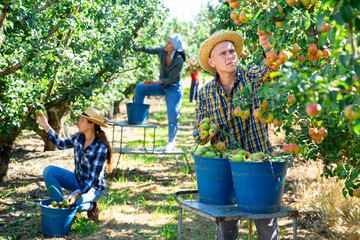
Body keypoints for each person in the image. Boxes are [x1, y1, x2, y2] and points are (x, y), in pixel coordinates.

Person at [193, 30, 279, 239]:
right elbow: (198, 134)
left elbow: (272, 68)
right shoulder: (206, 93)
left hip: (259, 163)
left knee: (266, 225)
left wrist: (268, 47)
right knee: (226, 228)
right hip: (226, 166)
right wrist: (208, 133)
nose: (230, 55)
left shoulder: (252, 78)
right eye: (223, 53)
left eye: (232, 51)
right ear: (212, 62)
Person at [36, 107, 112, 221]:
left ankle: (91, 206)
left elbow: (91, 179)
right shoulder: (79, 137)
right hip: (78, 180)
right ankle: (59, 208)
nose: (78, 122)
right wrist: (46, 125)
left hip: (94, 188)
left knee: (71, 203)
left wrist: (76, 194)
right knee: (49, 171)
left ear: (91, 125)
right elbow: (61, 144)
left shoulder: (100, 148)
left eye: (82, 120)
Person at [134, 34, 186, 152]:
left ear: (175, 47)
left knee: (173, 116)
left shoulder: (179, 60)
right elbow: (149, 49)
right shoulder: (162, 51)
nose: (165, 44)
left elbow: (171, 79)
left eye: (169, 43)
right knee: (140, 88)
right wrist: (137, 45)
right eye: (166, 41)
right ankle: (138, 118)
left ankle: (171, 142)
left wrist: (154, 82)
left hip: (173, 87)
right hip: (161, 85)